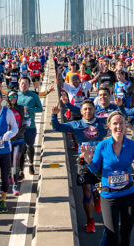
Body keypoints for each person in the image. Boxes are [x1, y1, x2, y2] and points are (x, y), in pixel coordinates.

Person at [80, 111, 134, 246]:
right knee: (112, 236)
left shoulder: (132, 146)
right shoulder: (103, 146)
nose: (118, 127)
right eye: (115, 124)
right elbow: (95, 168)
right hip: (109, 196)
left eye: (121, 123)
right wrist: (89, 161)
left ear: (125, 126)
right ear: (109, 126)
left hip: (128, 195)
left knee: (125, 236)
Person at [52, 98, 109, 233]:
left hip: (100, 161)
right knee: (86, 191)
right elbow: (57, 127)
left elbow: (118, 119)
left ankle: (97, 196)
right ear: (81, 112)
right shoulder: (76, 125)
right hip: (83, 162)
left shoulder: (102, 123)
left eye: (90, 109)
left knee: (101, 189)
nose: (88, 111)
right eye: (85, 109)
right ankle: (90, 221)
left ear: (95, 110)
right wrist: (54, 115)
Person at [16, 76, 44, 175]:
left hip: (30, 127)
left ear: (29, 85)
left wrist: (29, 109)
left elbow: (40, 109)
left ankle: (31, 164)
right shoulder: (15, 95)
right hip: (19, 128)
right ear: (19, 84)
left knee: (30, 146)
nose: (24, 85)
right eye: (22, 83)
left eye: (26, 84)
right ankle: (21, 170)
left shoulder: (33, 96)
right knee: (22, 148)